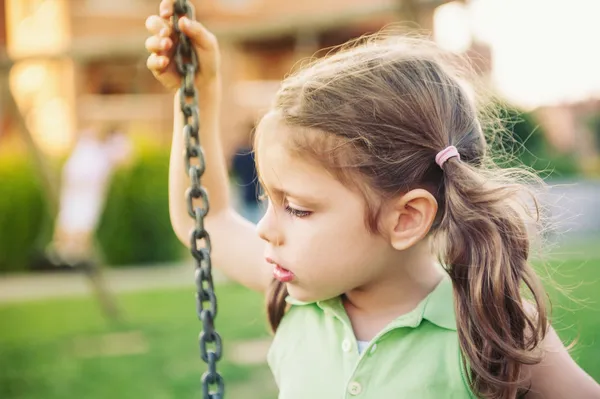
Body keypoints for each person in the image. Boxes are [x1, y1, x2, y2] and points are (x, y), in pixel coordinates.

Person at [145, 2, 600, 398]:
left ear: (405, 219)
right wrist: (199, 92)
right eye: (269, 199)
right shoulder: (295, 292)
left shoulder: (489, 326)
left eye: (298, 208)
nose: (265, 228)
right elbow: (204, 220)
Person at [52, 125, 132, 264]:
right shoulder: (89, 147)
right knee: (72, 217)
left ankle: (75, 252)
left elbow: (126, 160)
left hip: (88, 187)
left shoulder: (102, 150)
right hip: (80, 185)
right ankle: (67, 250)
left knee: (81, 219)